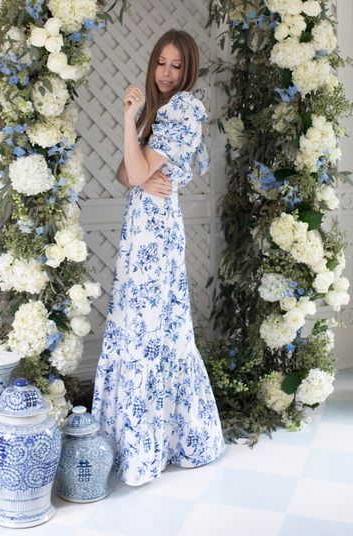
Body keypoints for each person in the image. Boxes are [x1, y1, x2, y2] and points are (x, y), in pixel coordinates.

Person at [91, 29, 225, 487]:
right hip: (142, 223)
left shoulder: (184, 108)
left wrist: (129, 124)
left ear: (188, 71)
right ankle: (144, 442)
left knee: (152, 330)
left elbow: (138, 170)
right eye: (161, 64)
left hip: (156, 230)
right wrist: (140, 163)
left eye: (176, 67)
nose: (167, 74)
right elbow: (126, 172)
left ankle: (158, 447)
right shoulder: (157, 108)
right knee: (140, 326)